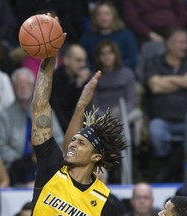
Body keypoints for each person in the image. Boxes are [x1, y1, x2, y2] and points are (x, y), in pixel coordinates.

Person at [30, 22, 127, 215]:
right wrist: (49, 58)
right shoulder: (52, 168)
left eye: (81, 143)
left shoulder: (106, 203)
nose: (72, 143)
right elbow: (40, 105)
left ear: (96, 156)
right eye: (74, 139)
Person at [144, 27, 187, 182]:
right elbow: (155, 86)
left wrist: (167, 80)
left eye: (186, 42)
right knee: (156, 132)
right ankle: (167, 166)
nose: (185, 46)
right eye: (181, 42)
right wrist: (184, 80)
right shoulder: (155, 62)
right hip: (162, 119)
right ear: (169, 44)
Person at [0, 67, 63, 169]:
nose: (23, 87)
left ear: (34, 87)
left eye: (27, 84)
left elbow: (59, 141)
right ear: (13, 88)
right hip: (15, 167)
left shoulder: (46, 112)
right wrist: (23, 162)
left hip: (46, 165)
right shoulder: (3, 116)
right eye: (19, 84)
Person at [80, 1, 138, 70]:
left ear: (114, 16)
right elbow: (84, 61)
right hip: (96, 74)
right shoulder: (87, 37)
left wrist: (113, 67)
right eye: (99, 14)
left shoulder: (126, 35)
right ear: (94, 18)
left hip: (122, 73)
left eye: (107, 14)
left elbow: (132, 60)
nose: (103, 18)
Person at [50, 43, 91, 132]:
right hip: (58, 130)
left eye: (84, 60)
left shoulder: (86, 79)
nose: (83, 64)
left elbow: (88, 111)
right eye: (78, 60)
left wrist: (80, 86)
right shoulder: (54, 79)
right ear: (65, 60)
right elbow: (59, 110)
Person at [123, 0, 187, 43]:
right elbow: (133, 20)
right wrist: (150, 34)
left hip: (174, 28)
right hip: (150, 33)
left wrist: (176, 29)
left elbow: (182, 12)